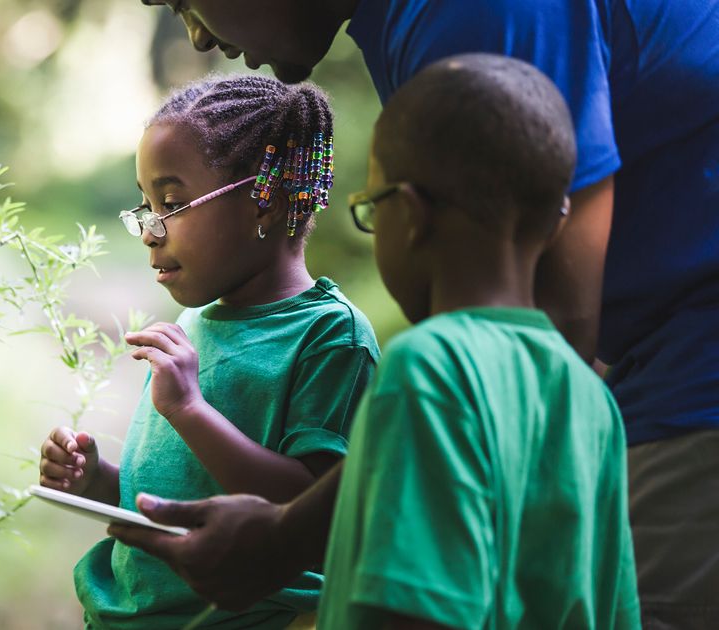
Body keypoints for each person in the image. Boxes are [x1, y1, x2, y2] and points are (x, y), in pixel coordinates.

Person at [134, 2, 719, 626]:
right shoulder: (593, 397)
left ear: (407, 218)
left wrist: (285, 536)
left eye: (186, 2)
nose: (195, 33)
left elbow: (410, 602)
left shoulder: (430, 368)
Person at [37, 74, 379, 629]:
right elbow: (180, 486)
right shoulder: (194, 320)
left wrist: (190, 410)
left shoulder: (331, 337)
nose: (149, 231)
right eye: (145, 206)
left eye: (170, 203)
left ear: (263, 203)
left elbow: (315, 510)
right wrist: (97, 480)